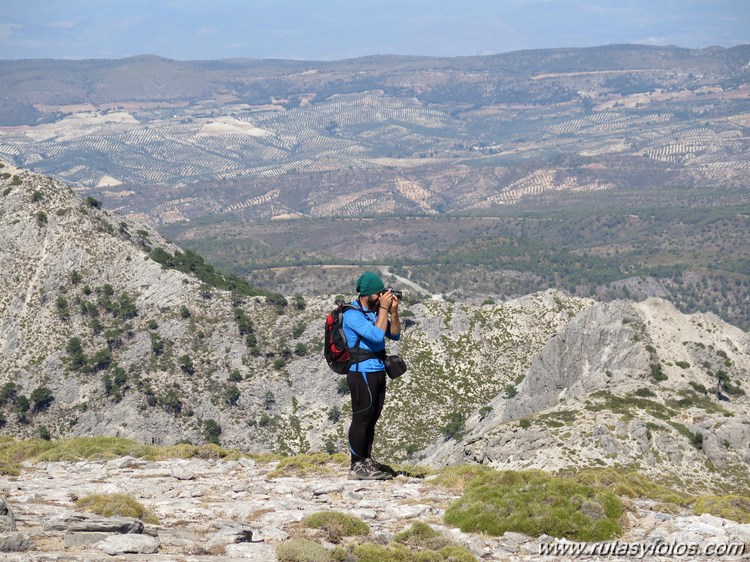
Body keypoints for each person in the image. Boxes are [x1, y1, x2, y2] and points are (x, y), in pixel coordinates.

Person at [342, 271, 401, 480]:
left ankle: (366, 459)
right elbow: (376, 336)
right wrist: (384, 308)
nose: (380, 296)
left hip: (377, 371)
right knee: (362, 418)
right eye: (378, 293)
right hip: (361, 373)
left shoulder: (376, 311)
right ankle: (356, 465)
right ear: (367, 293)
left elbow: (394, 334)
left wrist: (393, 312)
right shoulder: (352, 315)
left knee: (373, 417)